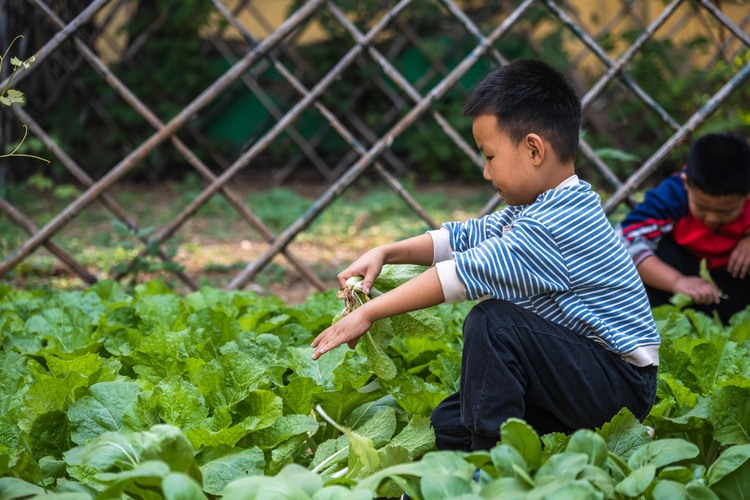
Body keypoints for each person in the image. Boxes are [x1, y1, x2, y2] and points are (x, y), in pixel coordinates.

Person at [312, 59, 660, 453]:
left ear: (533, 149)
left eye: (489, 156)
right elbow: (465, 238)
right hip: (576, 376)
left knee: (494, 322)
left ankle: (491, 466)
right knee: (448, 422)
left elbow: (462, 273)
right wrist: (387, 252)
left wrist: (368, 312)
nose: (485, 172)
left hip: (617, 387)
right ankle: (546, 444)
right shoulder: (540, 207)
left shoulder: (556, 224)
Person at [617, 133, 750, 323]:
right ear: (686, 183)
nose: (712, 219)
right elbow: (624, 243)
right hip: (687, 284)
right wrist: (676, 281)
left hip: (738, 285)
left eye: (726, 212)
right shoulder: (671, 196)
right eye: (702, 208)